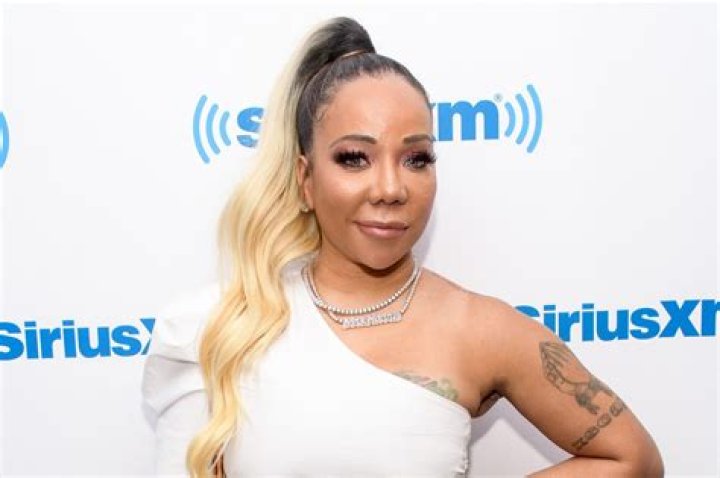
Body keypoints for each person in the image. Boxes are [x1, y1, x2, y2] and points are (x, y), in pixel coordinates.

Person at [141, 16, 663, 477]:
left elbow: (632, 459)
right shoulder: (219, 327)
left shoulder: (480, 330)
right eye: (354, 158)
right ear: (305, 180)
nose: (391, 189)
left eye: (416, 159)